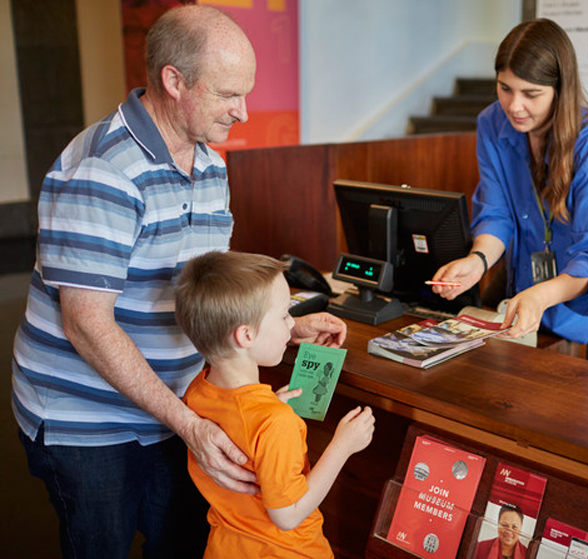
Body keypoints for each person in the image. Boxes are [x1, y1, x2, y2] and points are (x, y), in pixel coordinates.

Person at [11, 5, 345, 557]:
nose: (243, 111)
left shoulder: (211, 166)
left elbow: (214, 293)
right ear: (173, 81)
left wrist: (281, 327)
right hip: (90, 421)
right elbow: (87, 324)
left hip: (178, 407)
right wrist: (189, 425)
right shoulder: (105, 170)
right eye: (228, 94)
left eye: (247, 92)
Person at [432, 19, 588, 359]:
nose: (514, 106)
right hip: (517, 284)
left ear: (560, 89)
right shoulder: (491, 123)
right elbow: (496, 213)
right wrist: (477, 261)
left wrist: (542, 294)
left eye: (531, 94)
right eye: (505, 88)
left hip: (573, 299)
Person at [175, 250, 375, 558]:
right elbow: (288, 514)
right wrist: (342, 446)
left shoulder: (198, 389)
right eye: (284, 314)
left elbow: (241, 424)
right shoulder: (274, 421)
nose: (292, 323)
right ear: (245, 335)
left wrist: (269, 404)